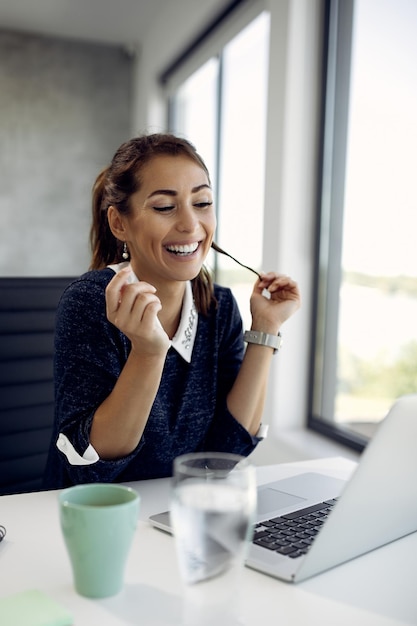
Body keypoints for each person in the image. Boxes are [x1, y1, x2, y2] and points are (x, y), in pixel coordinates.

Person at [43, 133, 300, 488]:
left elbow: (226, 454)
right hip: (96, 518)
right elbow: (92, 468)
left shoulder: (219, 307)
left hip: (178, 513)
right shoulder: (90, 303)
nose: (190, 225)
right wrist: (148, 353)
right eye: (165, 207)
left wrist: (266, 330)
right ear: (119, 223)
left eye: (203, 202)